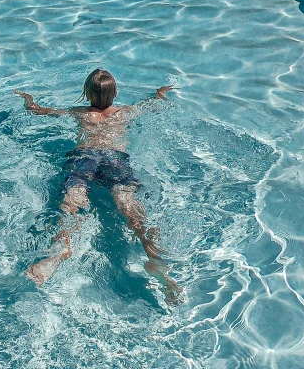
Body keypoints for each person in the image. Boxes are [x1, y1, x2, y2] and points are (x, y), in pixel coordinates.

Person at [15, 68, 183, 305]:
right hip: (115, 159)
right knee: (129, 207)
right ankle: (154, 256)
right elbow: (153, 104)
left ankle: (60, 249)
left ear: (86, 94)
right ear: (115, 93)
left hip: (85, 158)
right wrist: (161, 92)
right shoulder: (124, 113)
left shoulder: (81, 114)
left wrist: (28, 100)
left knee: (71, 203)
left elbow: (40, 112)